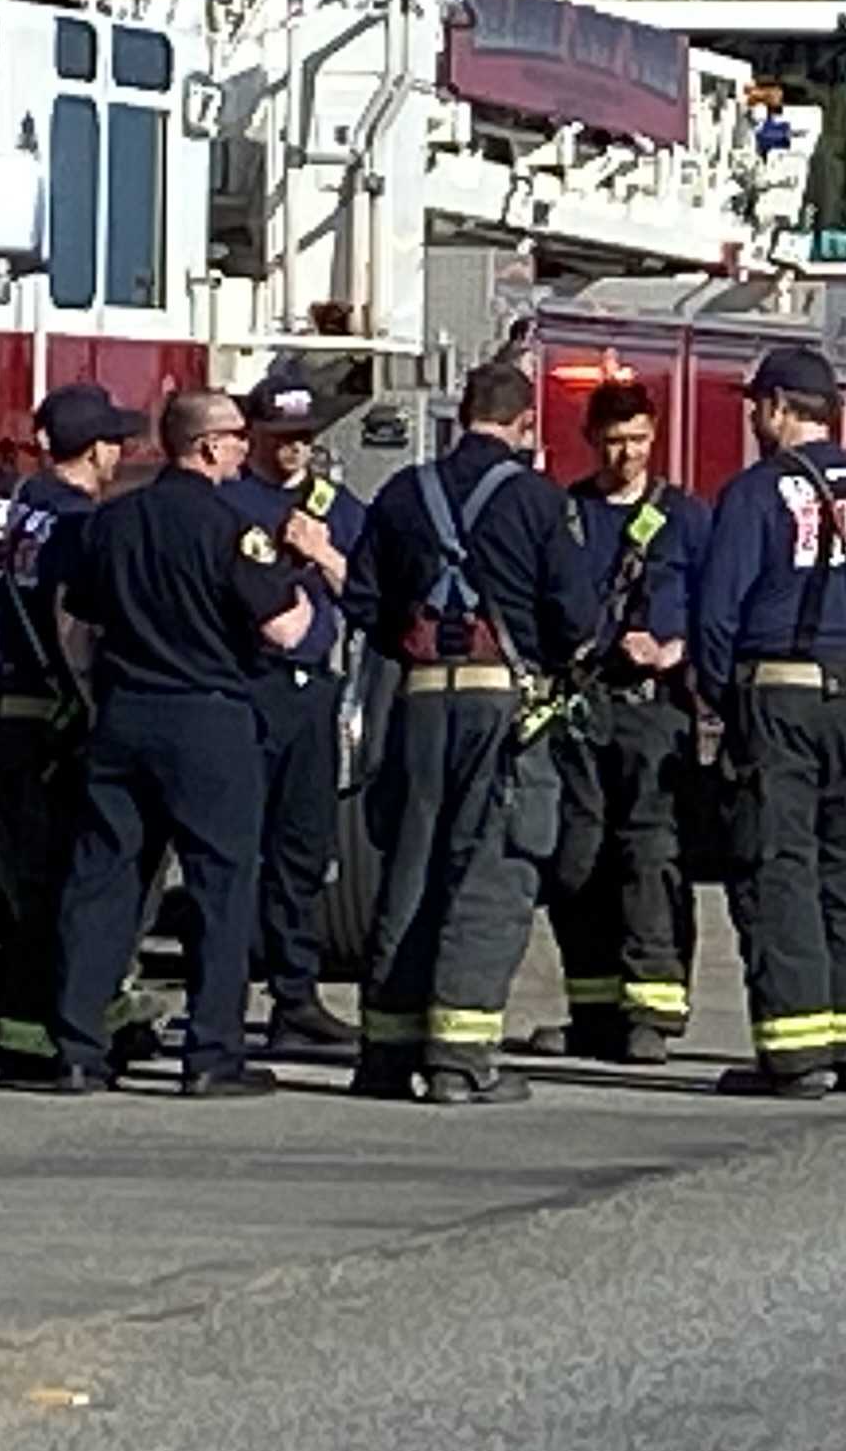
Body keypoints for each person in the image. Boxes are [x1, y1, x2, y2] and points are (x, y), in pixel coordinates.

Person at [39, 388, 317, 1096]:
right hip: (208, 719)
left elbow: (74, 619)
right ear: (207, 445)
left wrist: (94, 693)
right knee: (221, 885)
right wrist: (307, 584)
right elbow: (286, 630)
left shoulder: (112, 523)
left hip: (124, 714)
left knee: (103, 879)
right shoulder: (232, 527)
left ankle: (76, 1048)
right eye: (234, 437)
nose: (240, 448)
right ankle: (212, 1054)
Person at [358, 360, 595, 1104]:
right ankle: (461, 1060)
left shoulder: (402, 493)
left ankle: (388, 1053)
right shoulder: (537, 500)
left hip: (421, 701)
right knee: (492, 871)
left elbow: (365, 602)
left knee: (411, 867)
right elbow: (577, 619)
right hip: (504, 707)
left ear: (462, 414)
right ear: (526, 423)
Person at [690, 345, 846, 1098]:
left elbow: (718, 613)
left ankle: (795, 1053)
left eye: (759, 405)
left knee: (778, 867)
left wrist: (727, 701)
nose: (754, 417)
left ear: (784, 407)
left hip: (778, 698)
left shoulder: (755, 494)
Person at [0, 384, 141, 1082]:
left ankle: (25, 1030)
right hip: (53, 717)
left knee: (23, 881)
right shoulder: (81, 525)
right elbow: (79, 625)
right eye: (117, 442)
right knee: (68, 883)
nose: (121, 453)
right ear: (98, 448)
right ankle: (47, 1032)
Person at [547, 378, 705, 1064]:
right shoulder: (568, 514)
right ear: (591, 440)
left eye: (639, 440)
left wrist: (675, 649)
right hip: (584, 710)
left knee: (651, 857)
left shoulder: (687, 517)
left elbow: (720, 606)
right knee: (579, 859)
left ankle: (653, 1013)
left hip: (654, 713)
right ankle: (592, 1009)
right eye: (614, 441)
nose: (627, 455)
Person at [219, 363, 372, 1058]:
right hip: (245, 690)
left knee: (303, 851)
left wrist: (325, 552)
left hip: (312, 693)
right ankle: (220, 995)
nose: (293, 449)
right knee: (232, 847)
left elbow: (369, 597)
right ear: (253, 434)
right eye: (281, 435)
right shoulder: (230, 500)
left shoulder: (335, 505)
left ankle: (296, 997)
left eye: (304, 437)